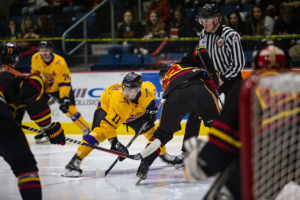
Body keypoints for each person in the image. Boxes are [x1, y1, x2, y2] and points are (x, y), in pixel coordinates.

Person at [183, 41, 294, 199]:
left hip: (270, 160)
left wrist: (205, 162)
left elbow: (225, 140)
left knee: (238, 175)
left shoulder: (249, 88)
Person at [134, 46, 221, 182]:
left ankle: (144, 164)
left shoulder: (168, 79)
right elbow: (201, 49)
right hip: (200, 89)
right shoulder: (185, 64)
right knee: (218, 128)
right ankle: (233, 158)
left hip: (175, 96)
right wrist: (212, 74)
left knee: (162, 134)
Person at [62, 72, 174, 177]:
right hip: (107, 108)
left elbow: (152, 91)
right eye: (125, 88)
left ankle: (164, 155)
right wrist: (115, 143)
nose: (126, 92)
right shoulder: (119, 102)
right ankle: (74, 161)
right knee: (98, 133)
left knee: (150, 131)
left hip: (132, 111)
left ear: (138, 89)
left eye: (131, 89)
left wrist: (150, 109)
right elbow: (107, 125)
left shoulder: (147, 91)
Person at [0, 41, 66, 200]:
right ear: (16, 58)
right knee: (25, 168)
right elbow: (36, 104)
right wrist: (50, 128)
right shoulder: (14, 77)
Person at [30, 40, 90, 139]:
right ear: (38, 50)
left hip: (61, 88)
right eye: (42, 50)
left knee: (69, 109)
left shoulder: (60, 62)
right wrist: (38, 85)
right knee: (38, 109)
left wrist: (64, 98)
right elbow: (35, 74)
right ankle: (45, 131)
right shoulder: (35, 58)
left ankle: (85, 129)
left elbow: (64, 83)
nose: (44, 52)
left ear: (51, 50)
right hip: (46, 88)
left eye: (46, 50)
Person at [198, 3, 245, 98]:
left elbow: (239, 64)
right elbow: (202, 56)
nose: (204, 24)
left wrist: (221, 79)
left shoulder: (231, 35)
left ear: (215, 19)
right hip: (214, 83)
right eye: (202, 20)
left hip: (231, 83)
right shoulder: (203, 34)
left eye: (207, 20)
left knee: (231, 112)